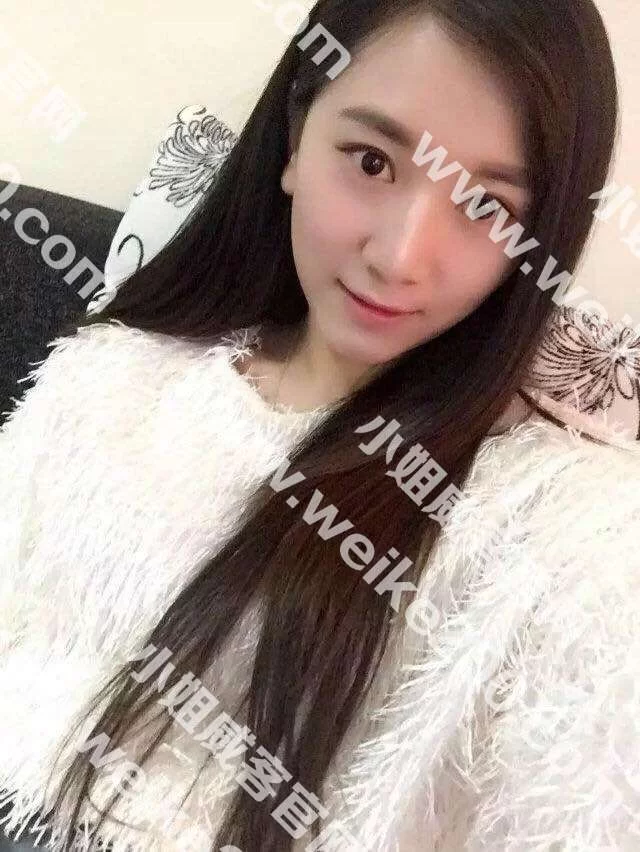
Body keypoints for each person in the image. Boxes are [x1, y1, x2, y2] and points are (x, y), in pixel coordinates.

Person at [1, 0, 639, 850]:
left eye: (486, 207)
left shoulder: (560, 527)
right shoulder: (109, 376)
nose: (399, 257)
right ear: (296, 138)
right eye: (372, 161)